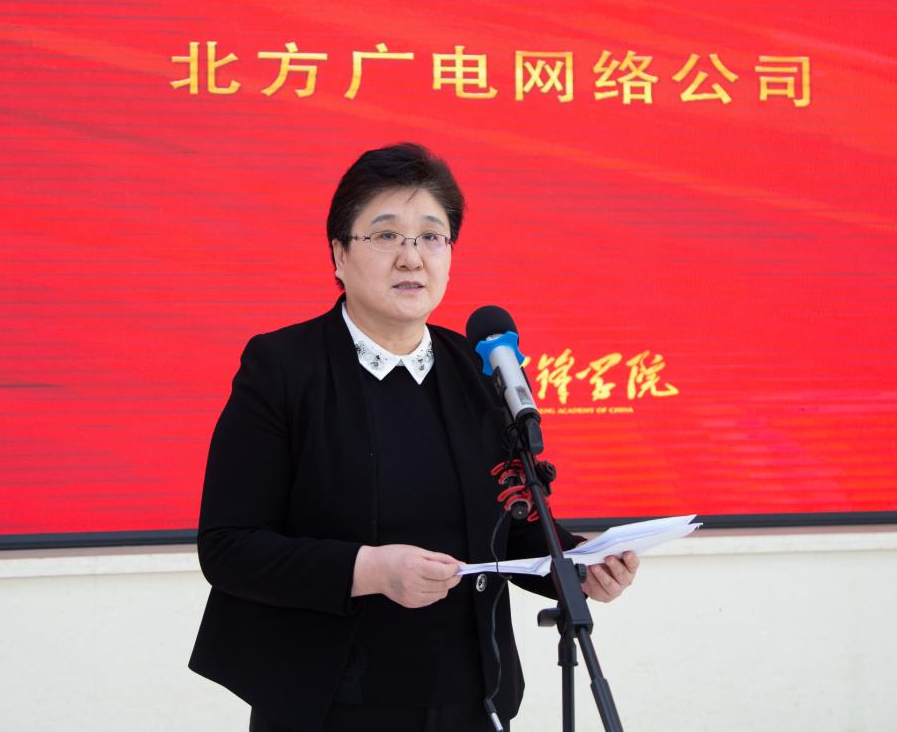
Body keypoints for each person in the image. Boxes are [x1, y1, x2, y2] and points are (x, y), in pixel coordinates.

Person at [189, 143, 638, 732]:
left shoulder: (478, 371)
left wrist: (578, 565)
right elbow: (229, 547)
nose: (411, 257)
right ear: (339, 254)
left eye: (431, 236)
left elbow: (514, 528)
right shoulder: (283, 368)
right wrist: (370, 570)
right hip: (326, 705)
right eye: (385, 236)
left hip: (471, 697)